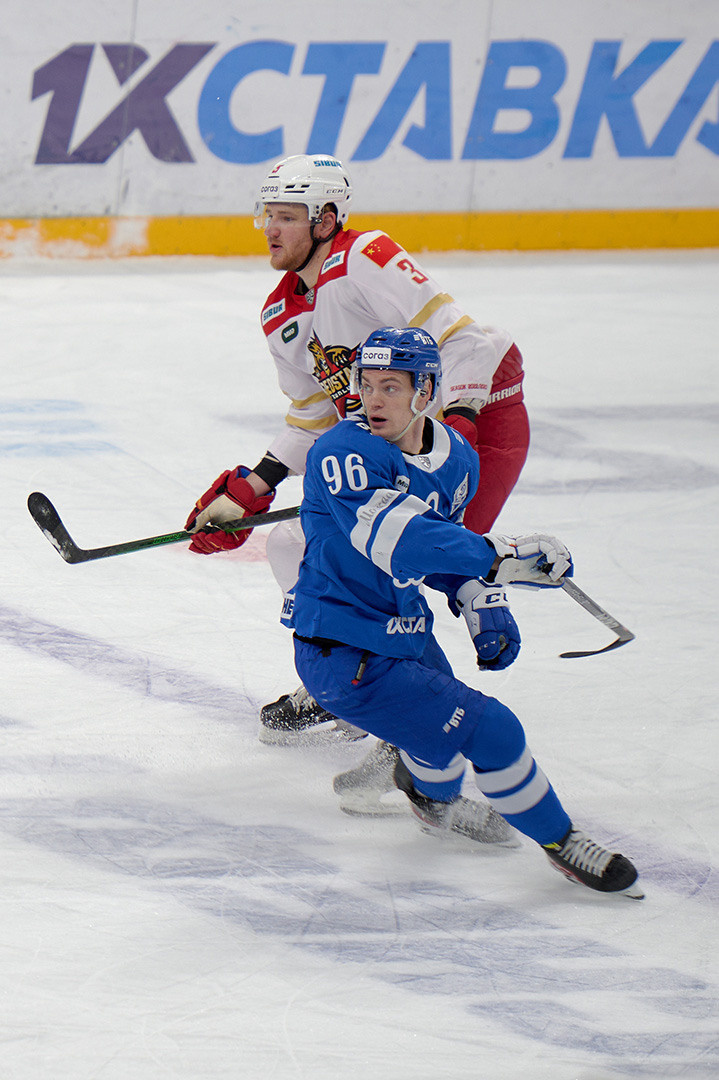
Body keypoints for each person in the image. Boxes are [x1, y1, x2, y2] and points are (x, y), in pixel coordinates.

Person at [185, 153, 530, 756]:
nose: (270, 229)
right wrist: (251, 487)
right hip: (395, 438)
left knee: (411, 557)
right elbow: (315, 419)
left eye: (286, 216)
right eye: (267, 215)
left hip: (480, 416)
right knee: (295, 543)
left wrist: (457, 432)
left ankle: (415, 717)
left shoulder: (364, 256)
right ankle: (345, 673)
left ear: (325, 220)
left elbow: (465, 341)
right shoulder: (279, 316)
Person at [285, 325, 643, 898]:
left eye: (390, 387)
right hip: (343, 649)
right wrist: (499, 558)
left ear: (426, 391)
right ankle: (564, 843)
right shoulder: (341, 452)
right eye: (366, 385)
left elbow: (441, 548)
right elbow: (396, 539)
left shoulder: (458, 459)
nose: (373, 400)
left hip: (404, 631)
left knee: (442, 751)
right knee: (492, 729)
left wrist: (477, 594)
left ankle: (429, 799)